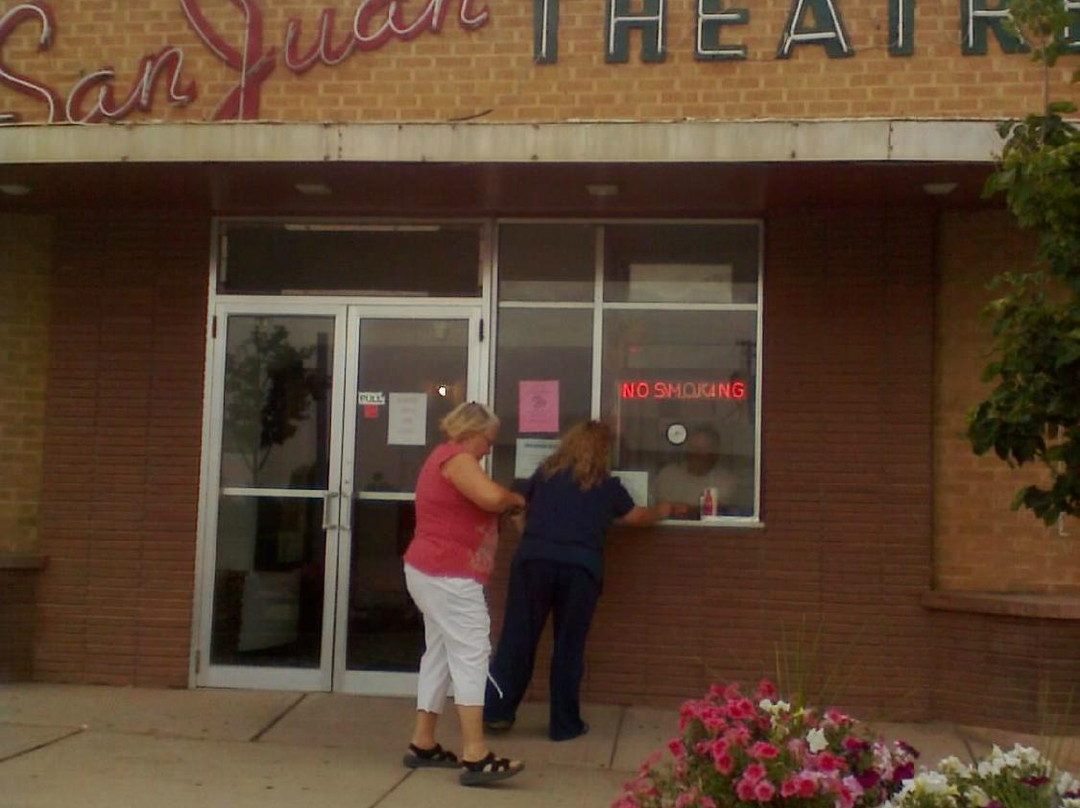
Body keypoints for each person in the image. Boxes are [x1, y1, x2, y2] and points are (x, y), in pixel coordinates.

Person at [483, 421, 671, 741]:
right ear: (603, 451)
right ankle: (564, 724)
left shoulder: (544, 475)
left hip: (533, 563)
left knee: (517, 639)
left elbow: (516, 507)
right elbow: (635, 517)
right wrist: (662, 510)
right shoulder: (606, 485)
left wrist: (529, 534)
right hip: (580, 569)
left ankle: (497, 713)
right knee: (568, 647)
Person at [401, 401, 527, 786]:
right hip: (448, 573)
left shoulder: (444, 457)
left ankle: (423, 741)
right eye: (489, 439)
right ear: (470, 433)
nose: (490, 447)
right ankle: (475, 753)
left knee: (439, 652)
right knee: (472, 651)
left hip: (430, 569)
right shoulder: (457, 459)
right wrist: (516, 500)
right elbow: (490, 498)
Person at [653, 424, 737, 519]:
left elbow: (722, 511)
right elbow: (654, 508)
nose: (695, 455)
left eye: (702, 450)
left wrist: (691, 510)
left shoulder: (725, 481)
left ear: (715, 455)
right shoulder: (667, 475)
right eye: (692, 449)